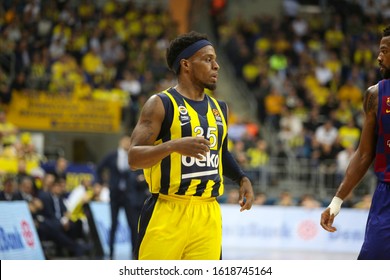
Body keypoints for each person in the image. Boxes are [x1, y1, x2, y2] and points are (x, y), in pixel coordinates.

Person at [127, 31, 254, 260]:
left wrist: (242, 178)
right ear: (186, 65)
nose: (216, 66)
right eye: (208, 59)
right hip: (167, 210)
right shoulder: (160, 104)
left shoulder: (220, 108)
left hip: (208, 214)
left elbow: (220, 153)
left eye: (215, 60)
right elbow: (134, 158)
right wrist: (173, 146)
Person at [320, 26, 390, 260]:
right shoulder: (375, 95)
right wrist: (337, 201)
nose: (379, 56)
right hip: (386, 197)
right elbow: (363, 154)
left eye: (385, 50)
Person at [96, 134, 149, 259]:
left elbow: (140, 171)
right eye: (125, 141)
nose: (127, 144)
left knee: (132, 224)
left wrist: (139, 178)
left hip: (129, 195)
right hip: (115, 195)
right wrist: (101, 183)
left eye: (129, 142)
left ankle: (134, 252)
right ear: (120, 142)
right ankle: (111, 252)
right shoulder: (112, 155)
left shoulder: (133, 156)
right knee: (113, 224)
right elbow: (99, 168)